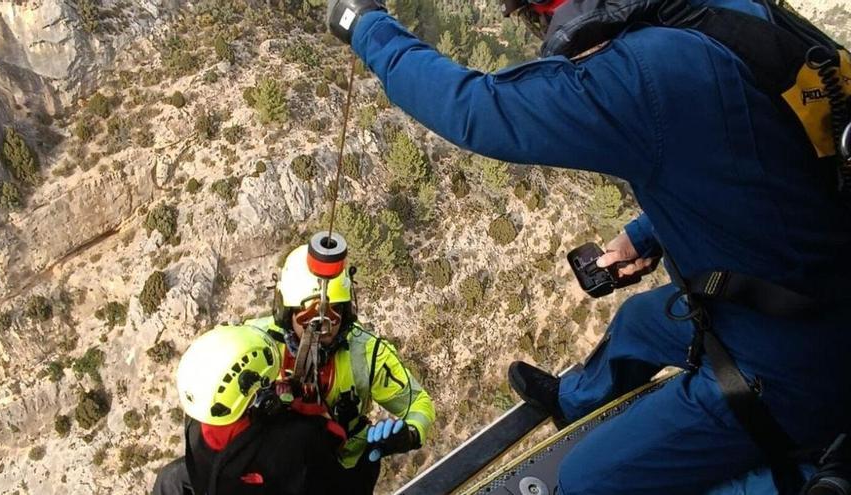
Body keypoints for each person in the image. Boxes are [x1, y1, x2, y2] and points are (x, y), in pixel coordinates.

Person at [322, 0, 851, 493]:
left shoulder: (648, 71)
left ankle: (798, 468)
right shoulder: (717, 18)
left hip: (787, 369)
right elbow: (758, 163)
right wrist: (643, 236)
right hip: (802, 291)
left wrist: (364, 23)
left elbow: (478, 112)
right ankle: (572, 404)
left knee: (584, 480)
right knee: (639, 322)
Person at [243, 244, 435, 494]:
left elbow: (418, 403)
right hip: (275, 472)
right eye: (307, 315)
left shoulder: (366, 354)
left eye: (333, 313)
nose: (322, 326)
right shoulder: (254, 344)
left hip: (344, 473)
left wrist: (408, 435)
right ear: (285, 311)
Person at [151, 324, 345, 495]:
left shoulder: (196, 424)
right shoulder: (293, 441)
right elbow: (334, 438)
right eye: (268, 384)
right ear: (258, 400)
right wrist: (297, 407)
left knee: (171, 477)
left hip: (214, 483)